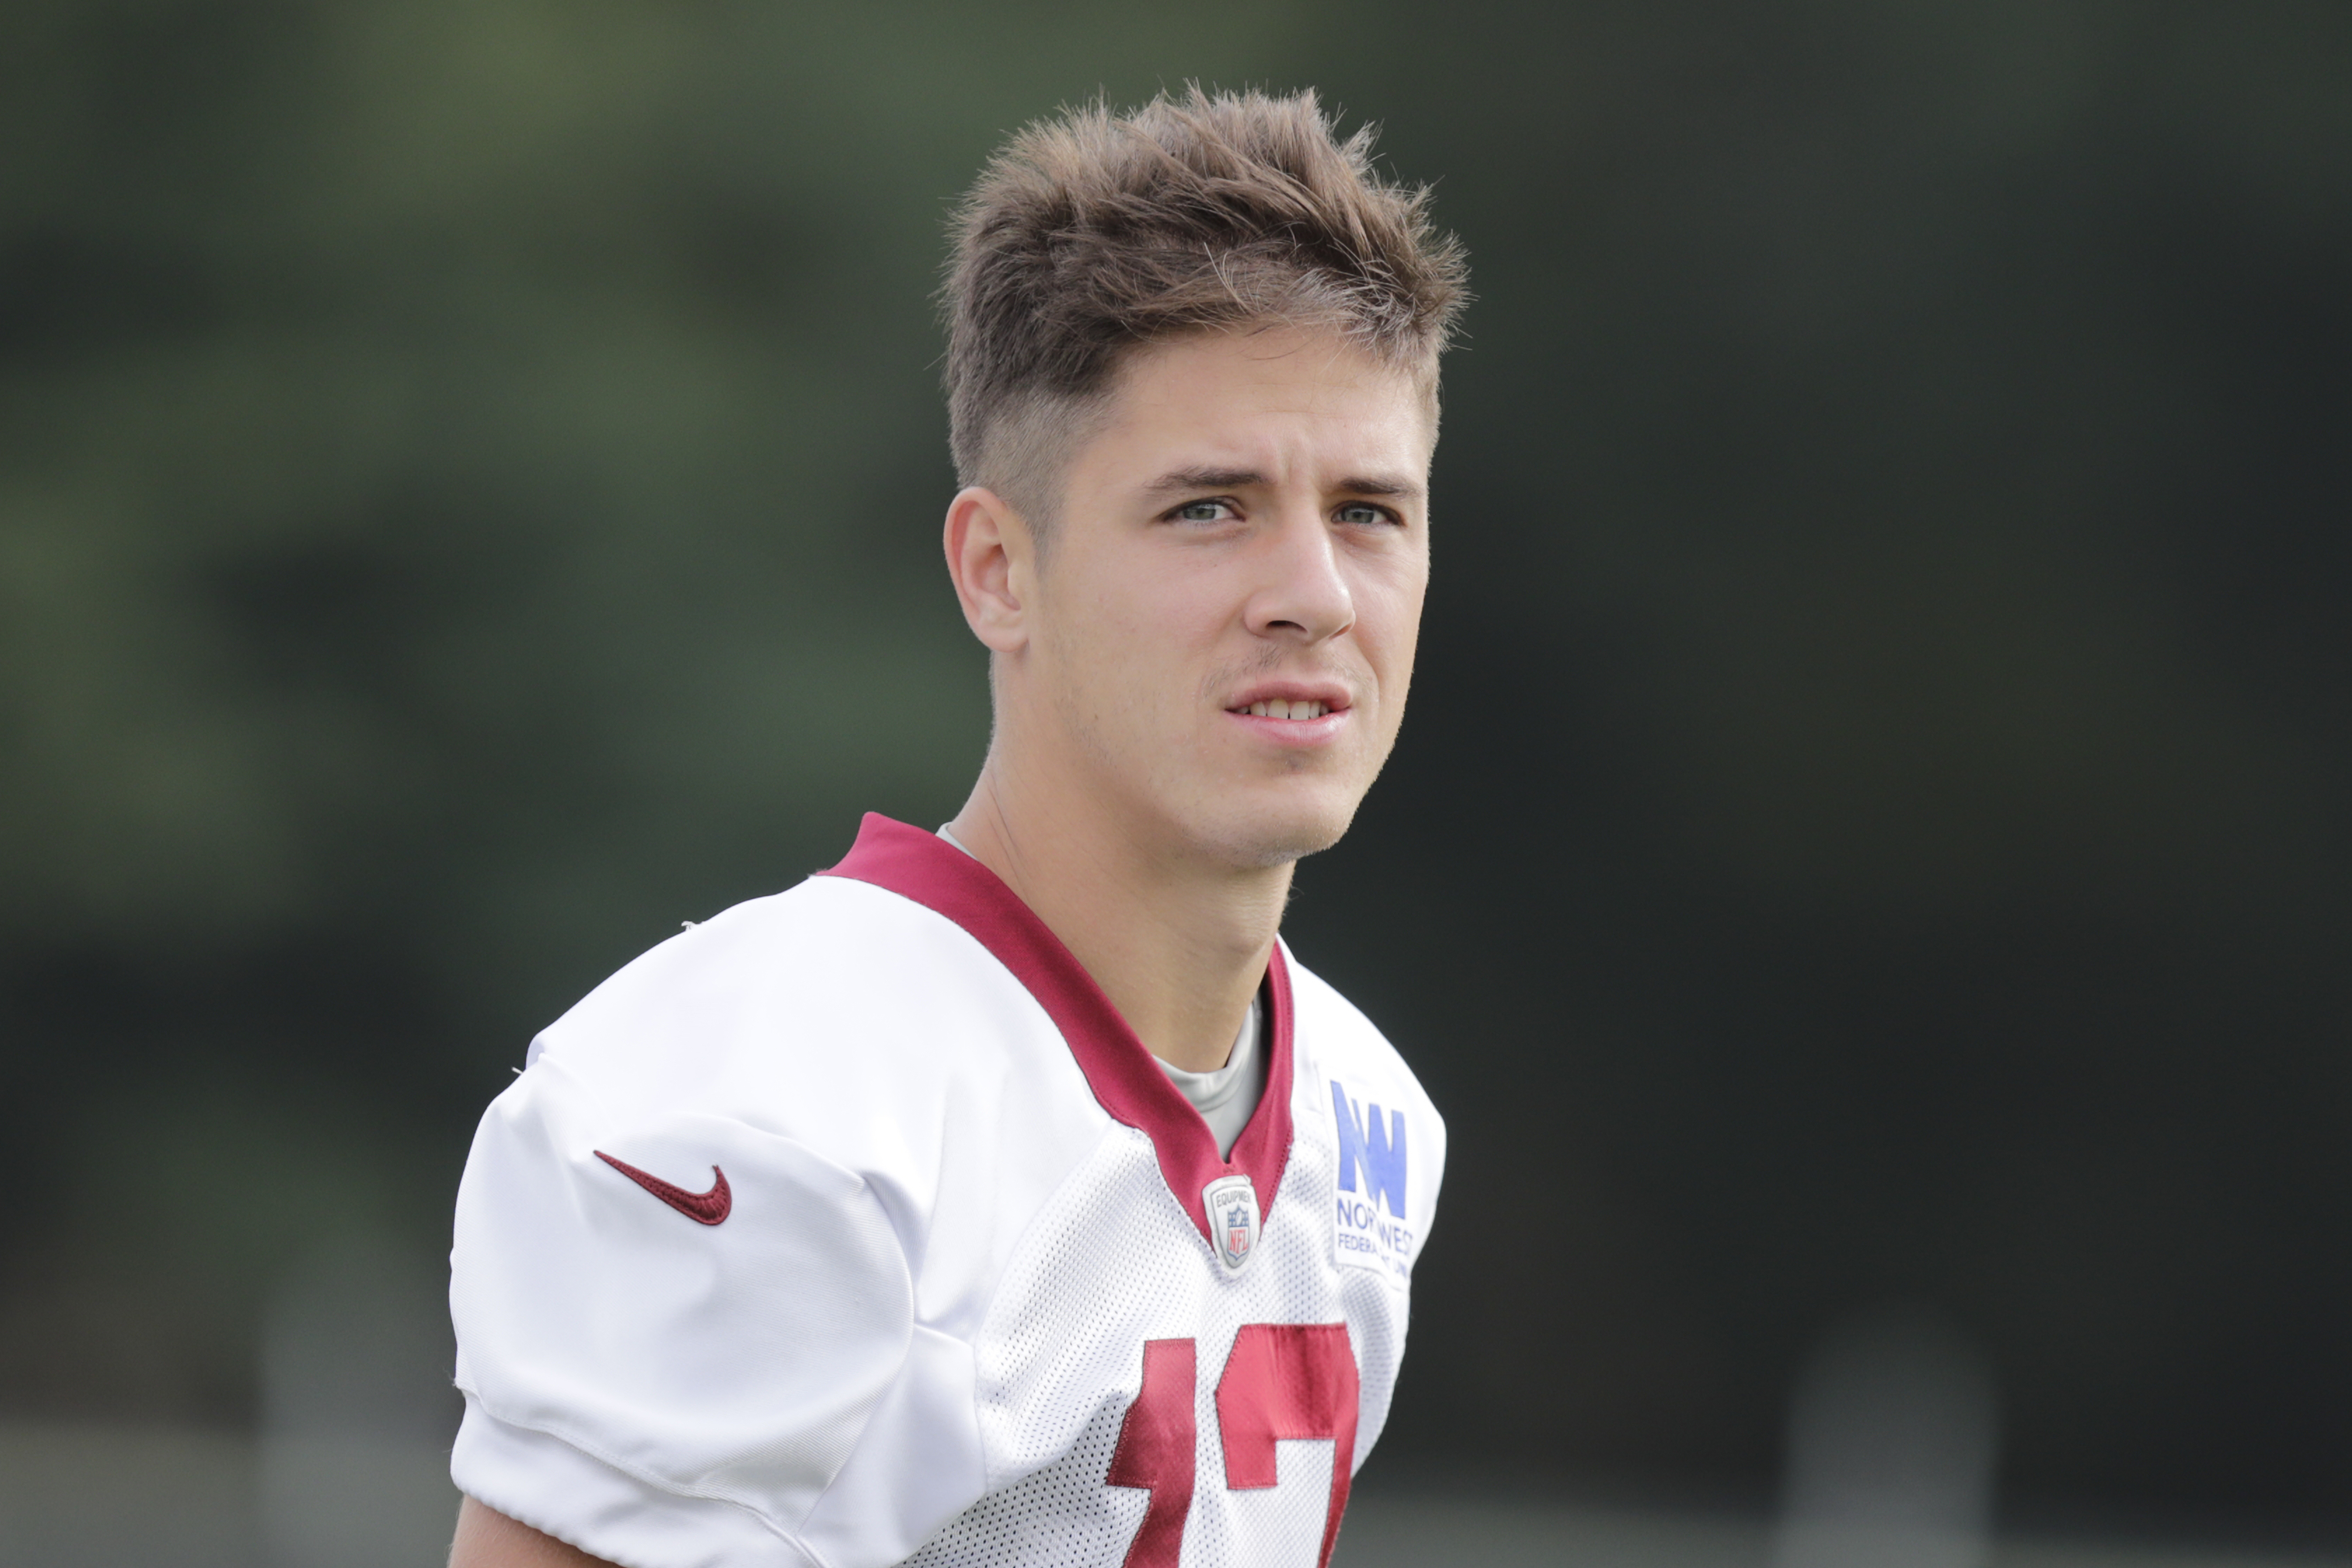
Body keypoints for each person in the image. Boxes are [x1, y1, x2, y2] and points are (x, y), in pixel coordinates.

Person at [445, 85, 1467, 1568]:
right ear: (998, 569)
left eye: (1370, 509)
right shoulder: (782, 1104)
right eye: (1207, 508)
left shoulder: (1366, 1121)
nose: (1310, 590)